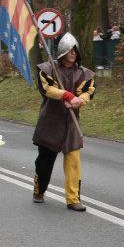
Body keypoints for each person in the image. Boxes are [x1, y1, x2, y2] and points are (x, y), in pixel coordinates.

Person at [31, 33, 96, 211]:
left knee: (73, 161)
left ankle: (73, 199)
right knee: (45, 162)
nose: (73, 53)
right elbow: (47, 88)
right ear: (61, 52)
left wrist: (78, 101)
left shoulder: (84, 73)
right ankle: (39, 190)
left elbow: (88, 91)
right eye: (70, 50)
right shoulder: (48, 69)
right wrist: (66, 95)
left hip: (71, 123)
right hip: (51, 121)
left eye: (75, 50)